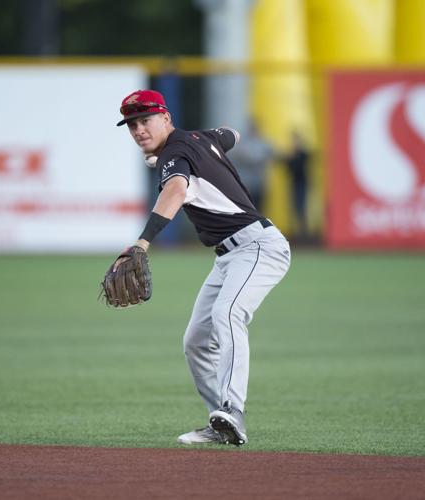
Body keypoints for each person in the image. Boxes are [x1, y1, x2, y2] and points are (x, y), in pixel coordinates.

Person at [113, 89, 291, 446]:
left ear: (166, 118)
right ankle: (222, 423)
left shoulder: (175, 155)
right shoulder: (200, 139)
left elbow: (176, 190)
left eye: (145, 120)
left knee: (228, 314)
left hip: (258, 247)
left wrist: (142, 241)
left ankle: (233, 409)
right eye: (131, 125)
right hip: (229, 257)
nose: (138, 130)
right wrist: (213, 142)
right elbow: (230, 134)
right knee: (196, 341)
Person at [228, 119, 275, 212]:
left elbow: (273, 152)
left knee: (259, 211)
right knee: (246, 211)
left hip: (258, 184)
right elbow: (236, 155)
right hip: (245, 184)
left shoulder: (262, 141)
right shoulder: (241, 142)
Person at [285, 131, 310, 241]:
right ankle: (297, 233)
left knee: (301, 207)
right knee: (295, 208)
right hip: (295, 183)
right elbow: (288, 169)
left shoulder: (303, 154)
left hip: (301, 184)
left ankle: (303, 233)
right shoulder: (293, 155)